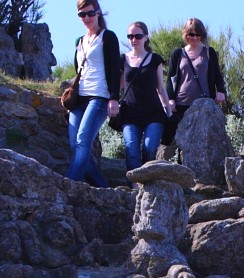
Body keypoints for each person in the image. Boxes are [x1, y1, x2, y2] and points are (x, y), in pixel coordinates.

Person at [65, 0, 121, 187]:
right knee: (75, 144)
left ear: (98, 13)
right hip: (80, 98)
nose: (86, 18)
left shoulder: (108, 37)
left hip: (99, 96)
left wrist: (114, 98)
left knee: (82, 141)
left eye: (90, 13)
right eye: (82, 14)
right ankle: (101, 186)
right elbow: (78, 69)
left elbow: (115, 69)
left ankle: (68, 184)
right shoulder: (79, 41)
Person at [117, 22, 171, 171]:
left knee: (149, 148)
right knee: (131, 151)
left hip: (153, 113)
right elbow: (119, 85)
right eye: (130, 36)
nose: (134, 39)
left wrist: (169, 111)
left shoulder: (155, 60)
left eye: (138, 36)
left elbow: (161, 88)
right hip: (130, 114)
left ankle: (147, 184)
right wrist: (112, 101)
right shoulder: (123, 59)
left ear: (146, 37)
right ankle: (135, 189)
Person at [165, 17, 227, 128]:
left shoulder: (209, 52)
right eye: (190, 34)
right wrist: (170, 99)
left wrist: (221, 90)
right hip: (181, 104)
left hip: (204, 103)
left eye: (197, 35)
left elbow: (217, 74)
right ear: (185, 35)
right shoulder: (178, 54)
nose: (194, 38)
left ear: (202, 35)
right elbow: (170, 78)